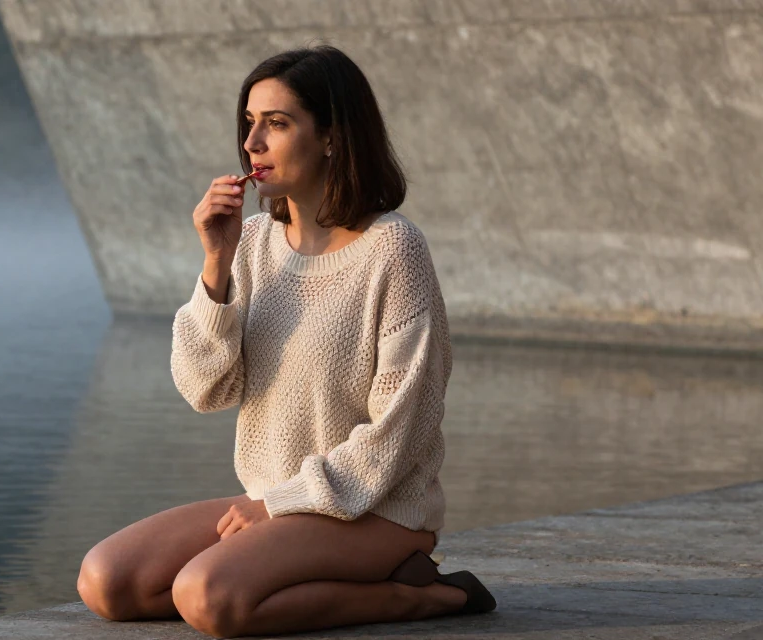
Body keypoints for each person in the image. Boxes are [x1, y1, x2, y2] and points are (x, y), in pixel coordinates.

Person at [76, 44, 496, 638]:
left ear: (331, 137)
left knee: (207, 598)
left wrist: (276, 505)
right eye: (248, 124)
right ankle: (293, 574)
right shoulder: (249, 244)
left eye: (276, 124)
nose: (251, 144)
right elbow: (204, 389)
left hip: (374, 511)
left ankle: (419, 596)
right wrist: (215, 263)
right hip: (272, 503)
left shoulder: (393, 250)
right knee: (106, 582)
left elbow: (399, 433)